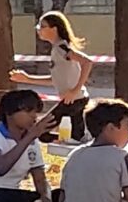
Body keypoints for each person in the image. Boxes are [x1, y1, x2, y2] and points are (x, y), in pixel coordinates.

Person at [37, 10, 97, 142]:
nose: (38, 30)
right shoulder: (56, 49)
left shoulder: (62, 48)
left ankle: (75, 143)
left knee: (41, 132)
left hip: (74, 100)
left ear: (54, 29)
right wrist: (26, 79)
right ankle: (82, 145)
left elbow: (87, 62)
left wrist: (74, 90)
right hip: (75, 99)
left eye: (42, 26)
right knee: (77, 137)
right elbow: (55, 80)